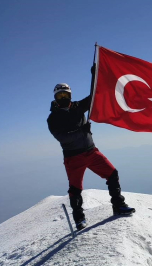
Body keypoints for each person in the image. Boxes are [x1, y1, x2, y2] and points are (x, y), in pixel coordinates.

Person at [47, 83, 135, 230]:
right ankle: (79, 219)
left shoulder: (77, 107)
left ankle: (118, 205)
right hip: (73, 157)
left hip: (91, 151)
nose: (63, 98)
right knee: (75, 189)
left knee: (112, 173)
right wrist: (82, 131)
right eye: (60, 96)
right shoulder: (53, 118)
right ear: (55, 98)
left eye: (65, 95)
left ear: (70, 95)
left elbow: (93, 97)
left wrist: (96, 77)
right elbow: (62, 137)